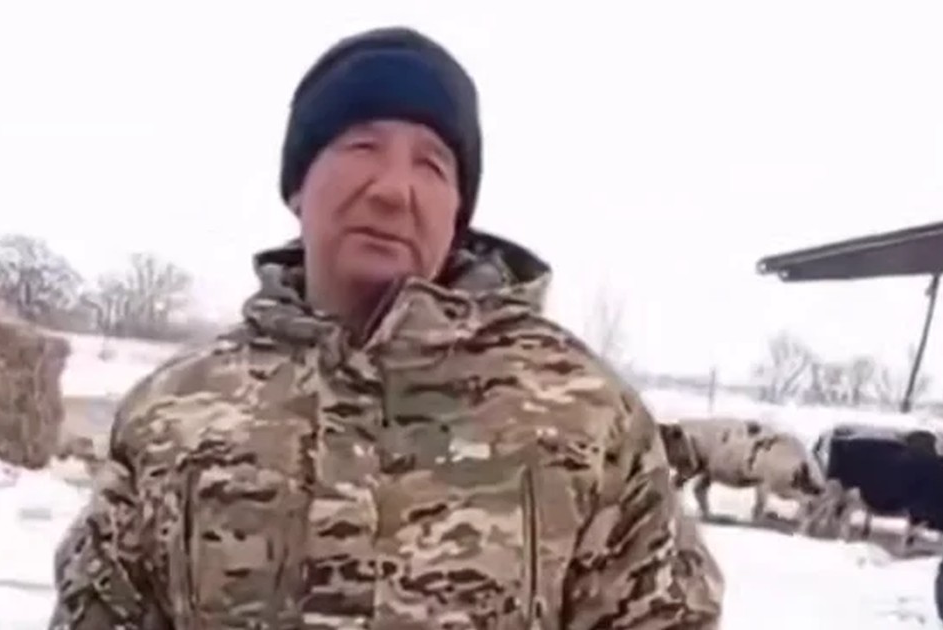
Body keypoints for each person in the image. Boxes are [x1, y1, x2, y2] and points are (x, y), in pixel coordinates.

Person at [48, 25, 723, 630]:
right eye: (361, 146)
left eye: (432, 164)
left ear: (458, 211)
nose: (394, 190)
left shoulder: (588, 418)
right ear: (297, 186)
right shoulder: (171, 414)